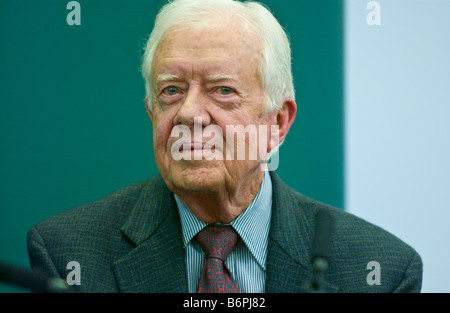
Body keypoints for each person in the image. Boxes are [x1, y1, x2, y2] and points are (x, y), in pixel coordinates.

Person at [27, 0, 422, 293]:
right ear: (151, 112)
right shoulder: (67, 253)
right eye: (171, 90)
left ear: (277, 123)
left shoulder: (380, 271)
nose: (189, 114)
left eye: (222, 90)